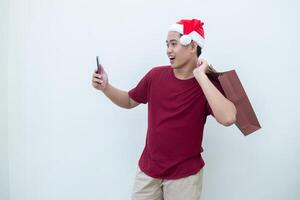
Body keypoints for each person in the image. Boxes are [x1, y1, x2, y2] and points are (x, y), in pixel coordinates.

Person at [92, 19, 237, 200]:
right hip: (148, 172)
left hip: (185, 177)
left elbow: (229, 118)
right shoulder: (155, 76)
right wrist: (106, 87)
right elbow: (129, 100)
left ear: (192, 46)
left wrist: (200, 76)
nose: (168, 50)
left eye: (174, 44)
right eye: (167, 44)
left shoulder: (207, 84)